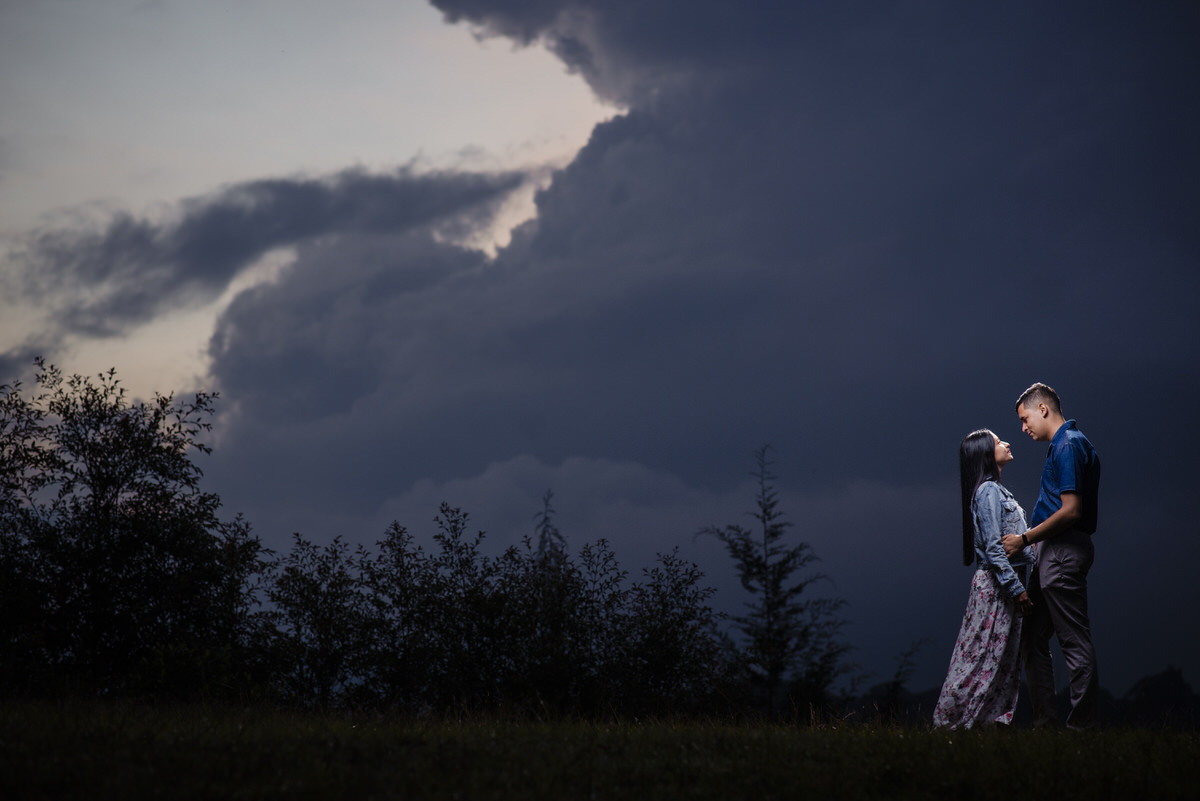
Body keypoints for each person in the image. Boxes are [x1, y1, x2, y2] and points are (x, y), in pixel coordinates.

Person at [1002, 382, 1101, 729]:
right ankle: (1045, 723)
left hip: (1062, 551)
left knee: (1073, 641)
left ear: (1042, 409)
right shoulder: (1062, 446)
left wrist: (1024, 538)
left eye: (1025, 418)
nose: (1024, 428)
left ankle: (1080, 729)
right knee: (1031, 636)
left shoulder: (1069, 446)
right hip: (1050, 552)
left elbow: (1071, 510)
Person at [933, 429, 1034, 729]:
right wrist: (1017, 590)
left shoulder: (996, 491)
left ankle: (984, 724)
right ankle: (950, 723)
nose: (1007, 443)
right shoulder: (988, 491)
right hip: (997, 588)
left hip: (1004, 586)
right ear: (987, 455)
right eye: (998, 442)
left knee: (999, 659)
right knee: (978, 657)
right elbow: (993, 547)